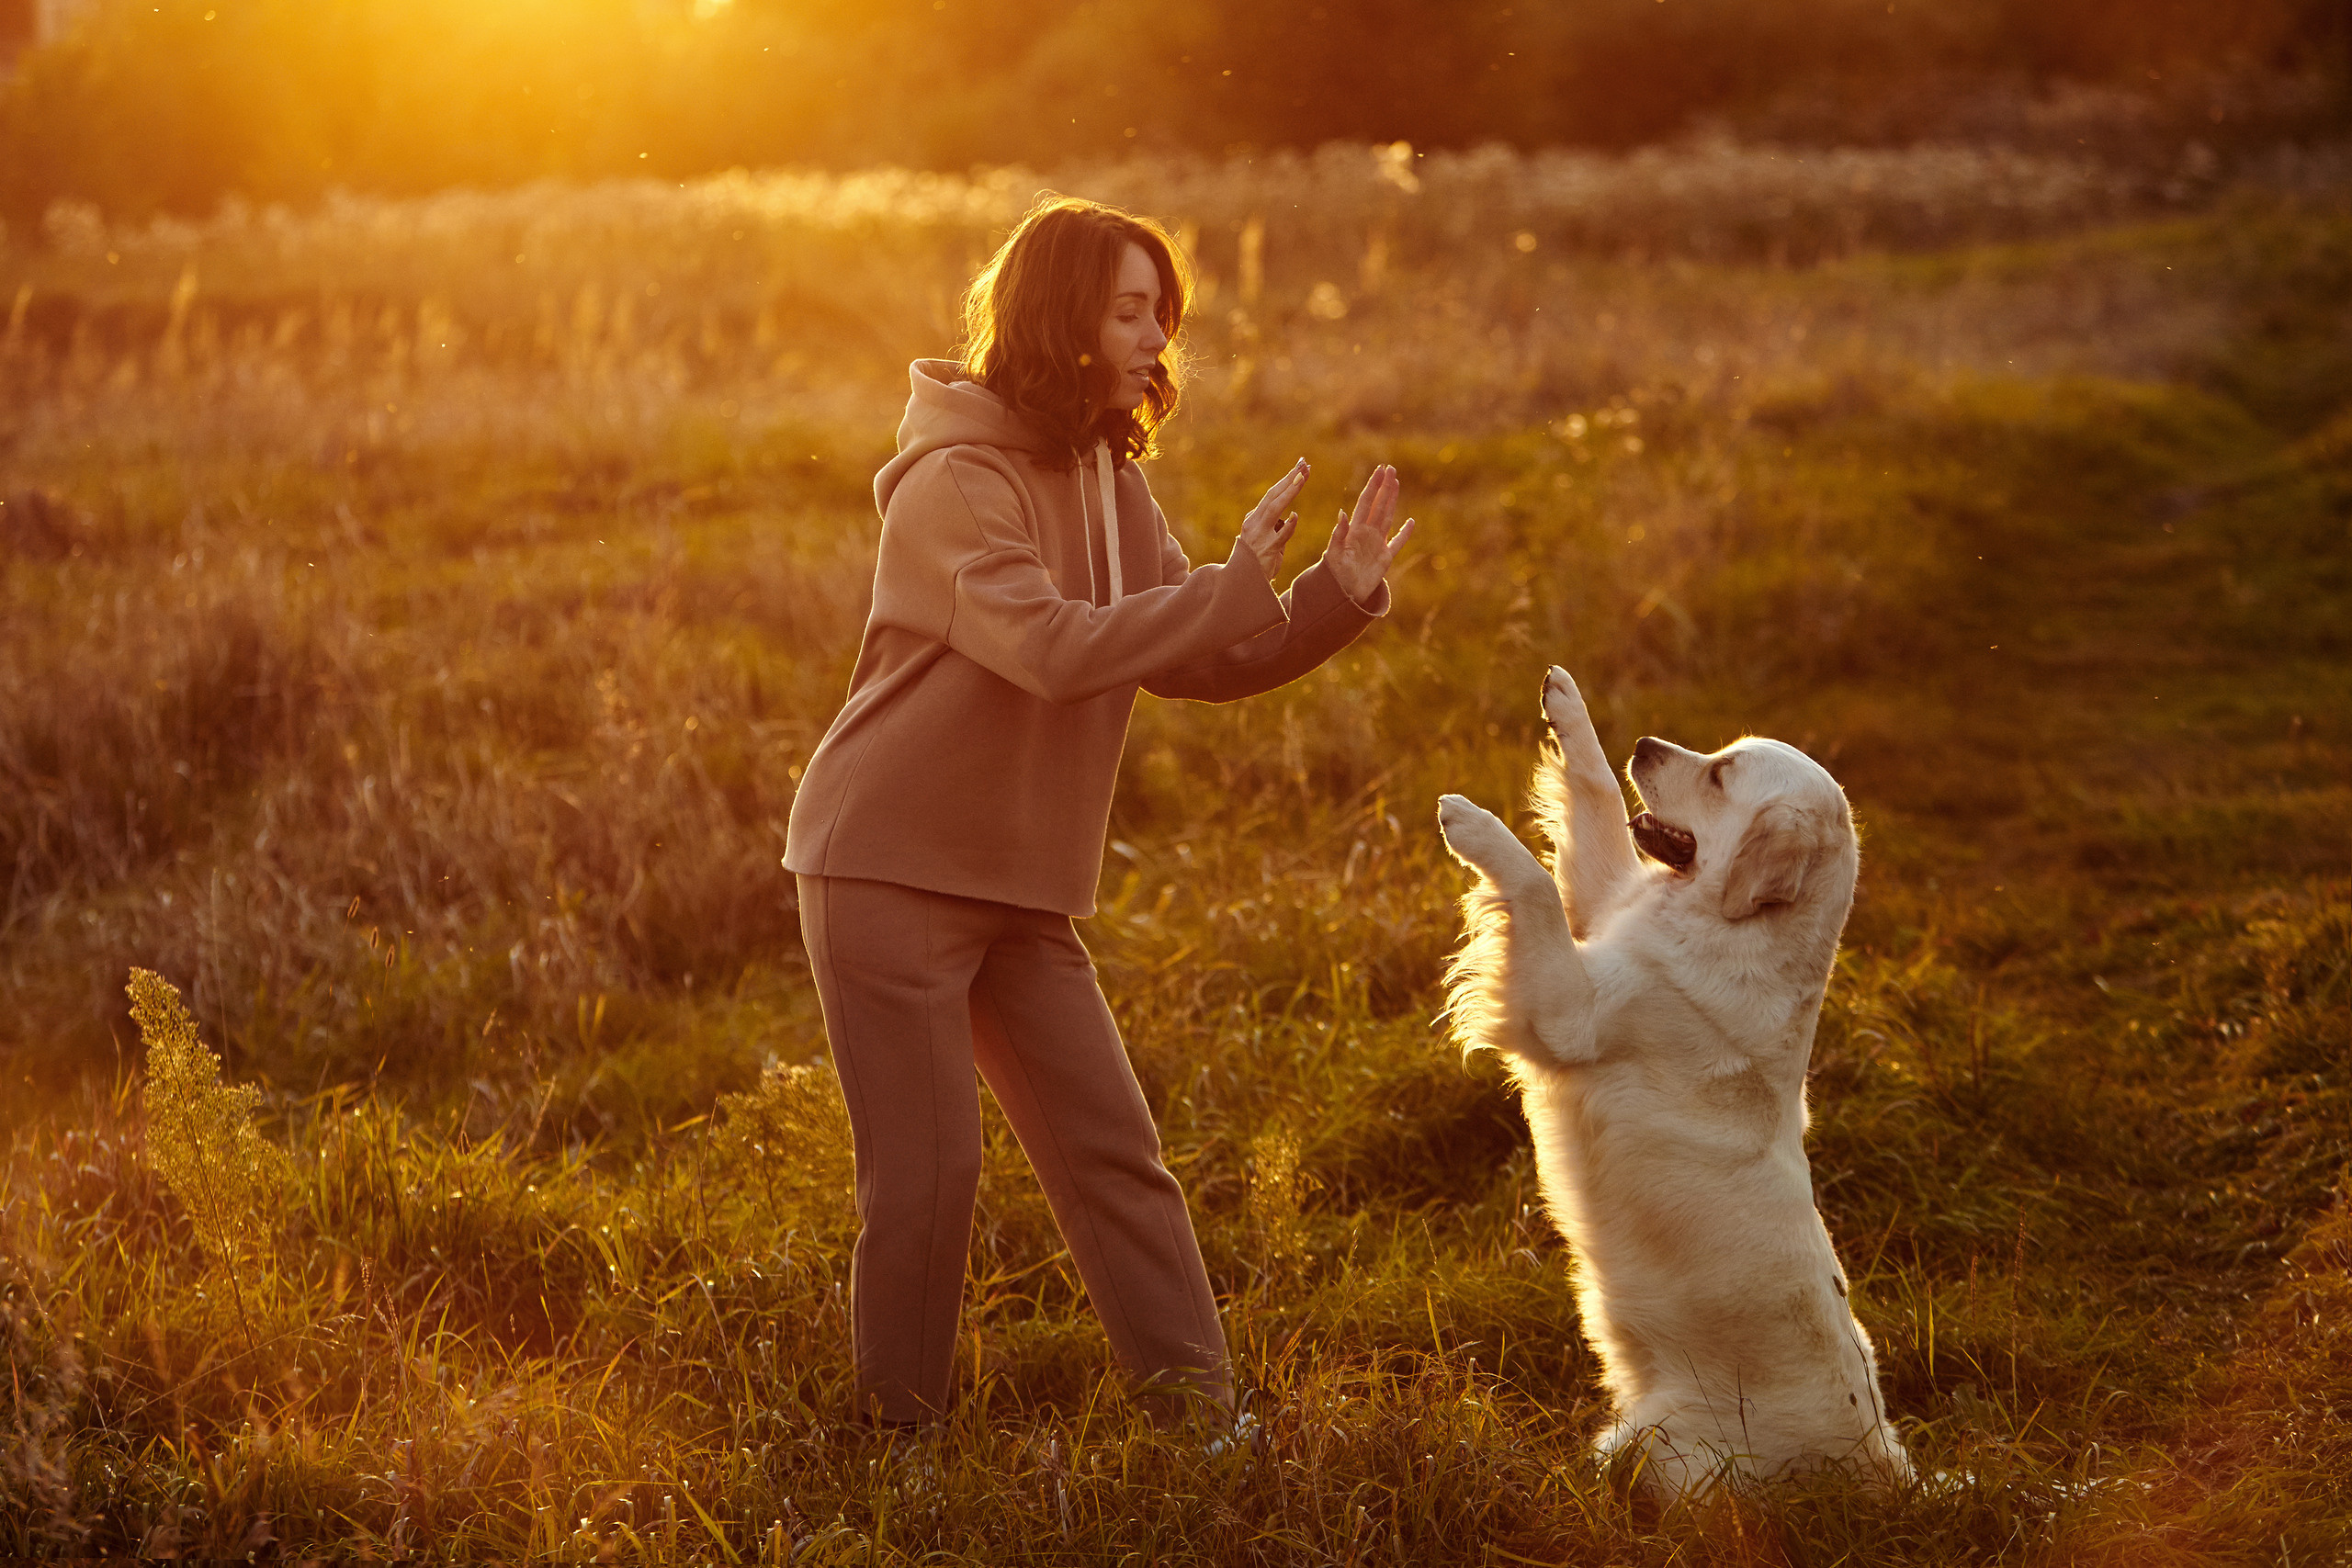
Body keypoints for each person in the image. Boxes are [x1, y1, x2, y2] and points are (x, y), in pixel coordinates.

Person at [782, 195, 1416, 1429]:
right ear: (1062, 314)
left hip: (1023, 887)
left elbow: (1196, 656)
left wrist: (1332, 596)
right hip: (890, 865)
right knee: (928, 1176)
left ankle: (1205, 1430)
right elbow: (1058, 649)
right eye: (1130, 311)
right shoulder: (954, 482)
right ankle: (896, 1456)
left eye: (1162, 316)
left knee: (1116, 1160)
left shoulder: (1102, 474)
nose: (1155, 340)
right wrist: (1233, 582)